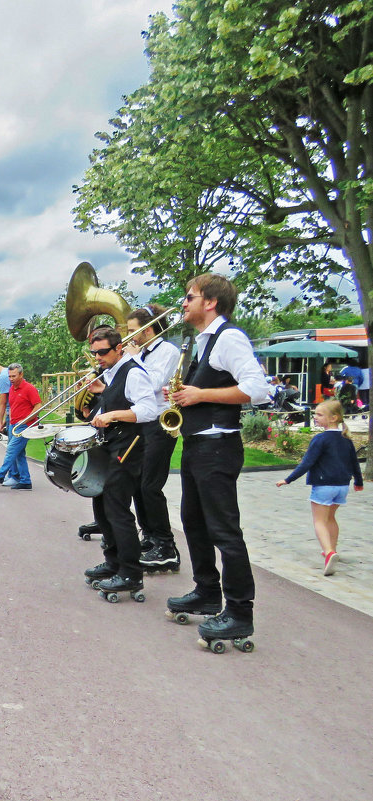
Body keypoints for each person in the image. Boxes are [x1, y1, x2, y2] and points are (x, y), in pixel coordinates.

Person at [167, 273, 272, 646]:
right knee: (193, 522)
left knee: (225, 531)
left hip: (218, 446)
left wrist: (200, 395)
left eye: (189, 297)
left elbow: (258, 390)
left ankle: (240, 612)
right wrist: (184, 395)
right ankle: (207, 592)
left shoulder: (229, 337)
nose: (184, 303)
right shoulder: (205, 341)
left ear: (210, 302)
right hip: (199, 445)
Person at [79, 327, 158, 602]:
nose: (97, 357)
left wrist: (111, 413)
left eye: (102, 352)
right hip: (112, 444)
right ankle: (113, 561)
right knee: (100, 502)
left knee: (117, 507)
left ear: (118, 348)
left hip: (129, 446)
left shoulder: (133, 372)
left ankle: (131, 573)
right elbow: (116, 401)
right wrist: (98, 407)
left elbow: (149, 409)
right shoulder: (112, 374)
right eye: (94, 353)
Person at [124, 305, 184, 573]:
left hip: (161, 424)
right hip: (142, 422)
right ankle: (149, 537)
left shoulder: (167, 351)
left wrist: (133, 359)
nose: (129, 337)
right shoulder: (143, 353)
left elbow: (152, 382)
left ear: (148, 329)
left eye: (132, 331)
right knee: (137, 485)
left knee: (150, 486)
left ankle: (167, 545)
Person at [276, 400, 363, 576]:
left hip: (324, 485)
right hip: (342, 486)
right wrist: (358, 482)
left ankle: (329, 552)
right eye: (315, 414)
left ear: (334, 418)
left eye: (319, 415)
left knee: (319, 521)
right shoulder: (346, 439)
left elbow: (307, 463)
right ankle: (332, 548)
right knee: (331, 518)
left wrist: (288, 479)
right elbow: (354, 462)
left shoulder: (320, 439)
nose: (315, 417)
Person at [0, 361, 40, 490]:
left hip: (25, 425)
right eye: (9, 376)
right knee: (19, 453)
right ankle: (26, 481)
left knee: (11, 449)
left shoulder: (29, 388)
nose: (11, 379)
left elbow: (38, 406)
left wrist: (27, 419)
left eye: (13, 376)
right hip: (13, 423)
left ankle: (0, 474)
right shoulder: (12, 388)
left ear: (21, 374)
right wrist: (5, 420)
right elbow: (13, 406)